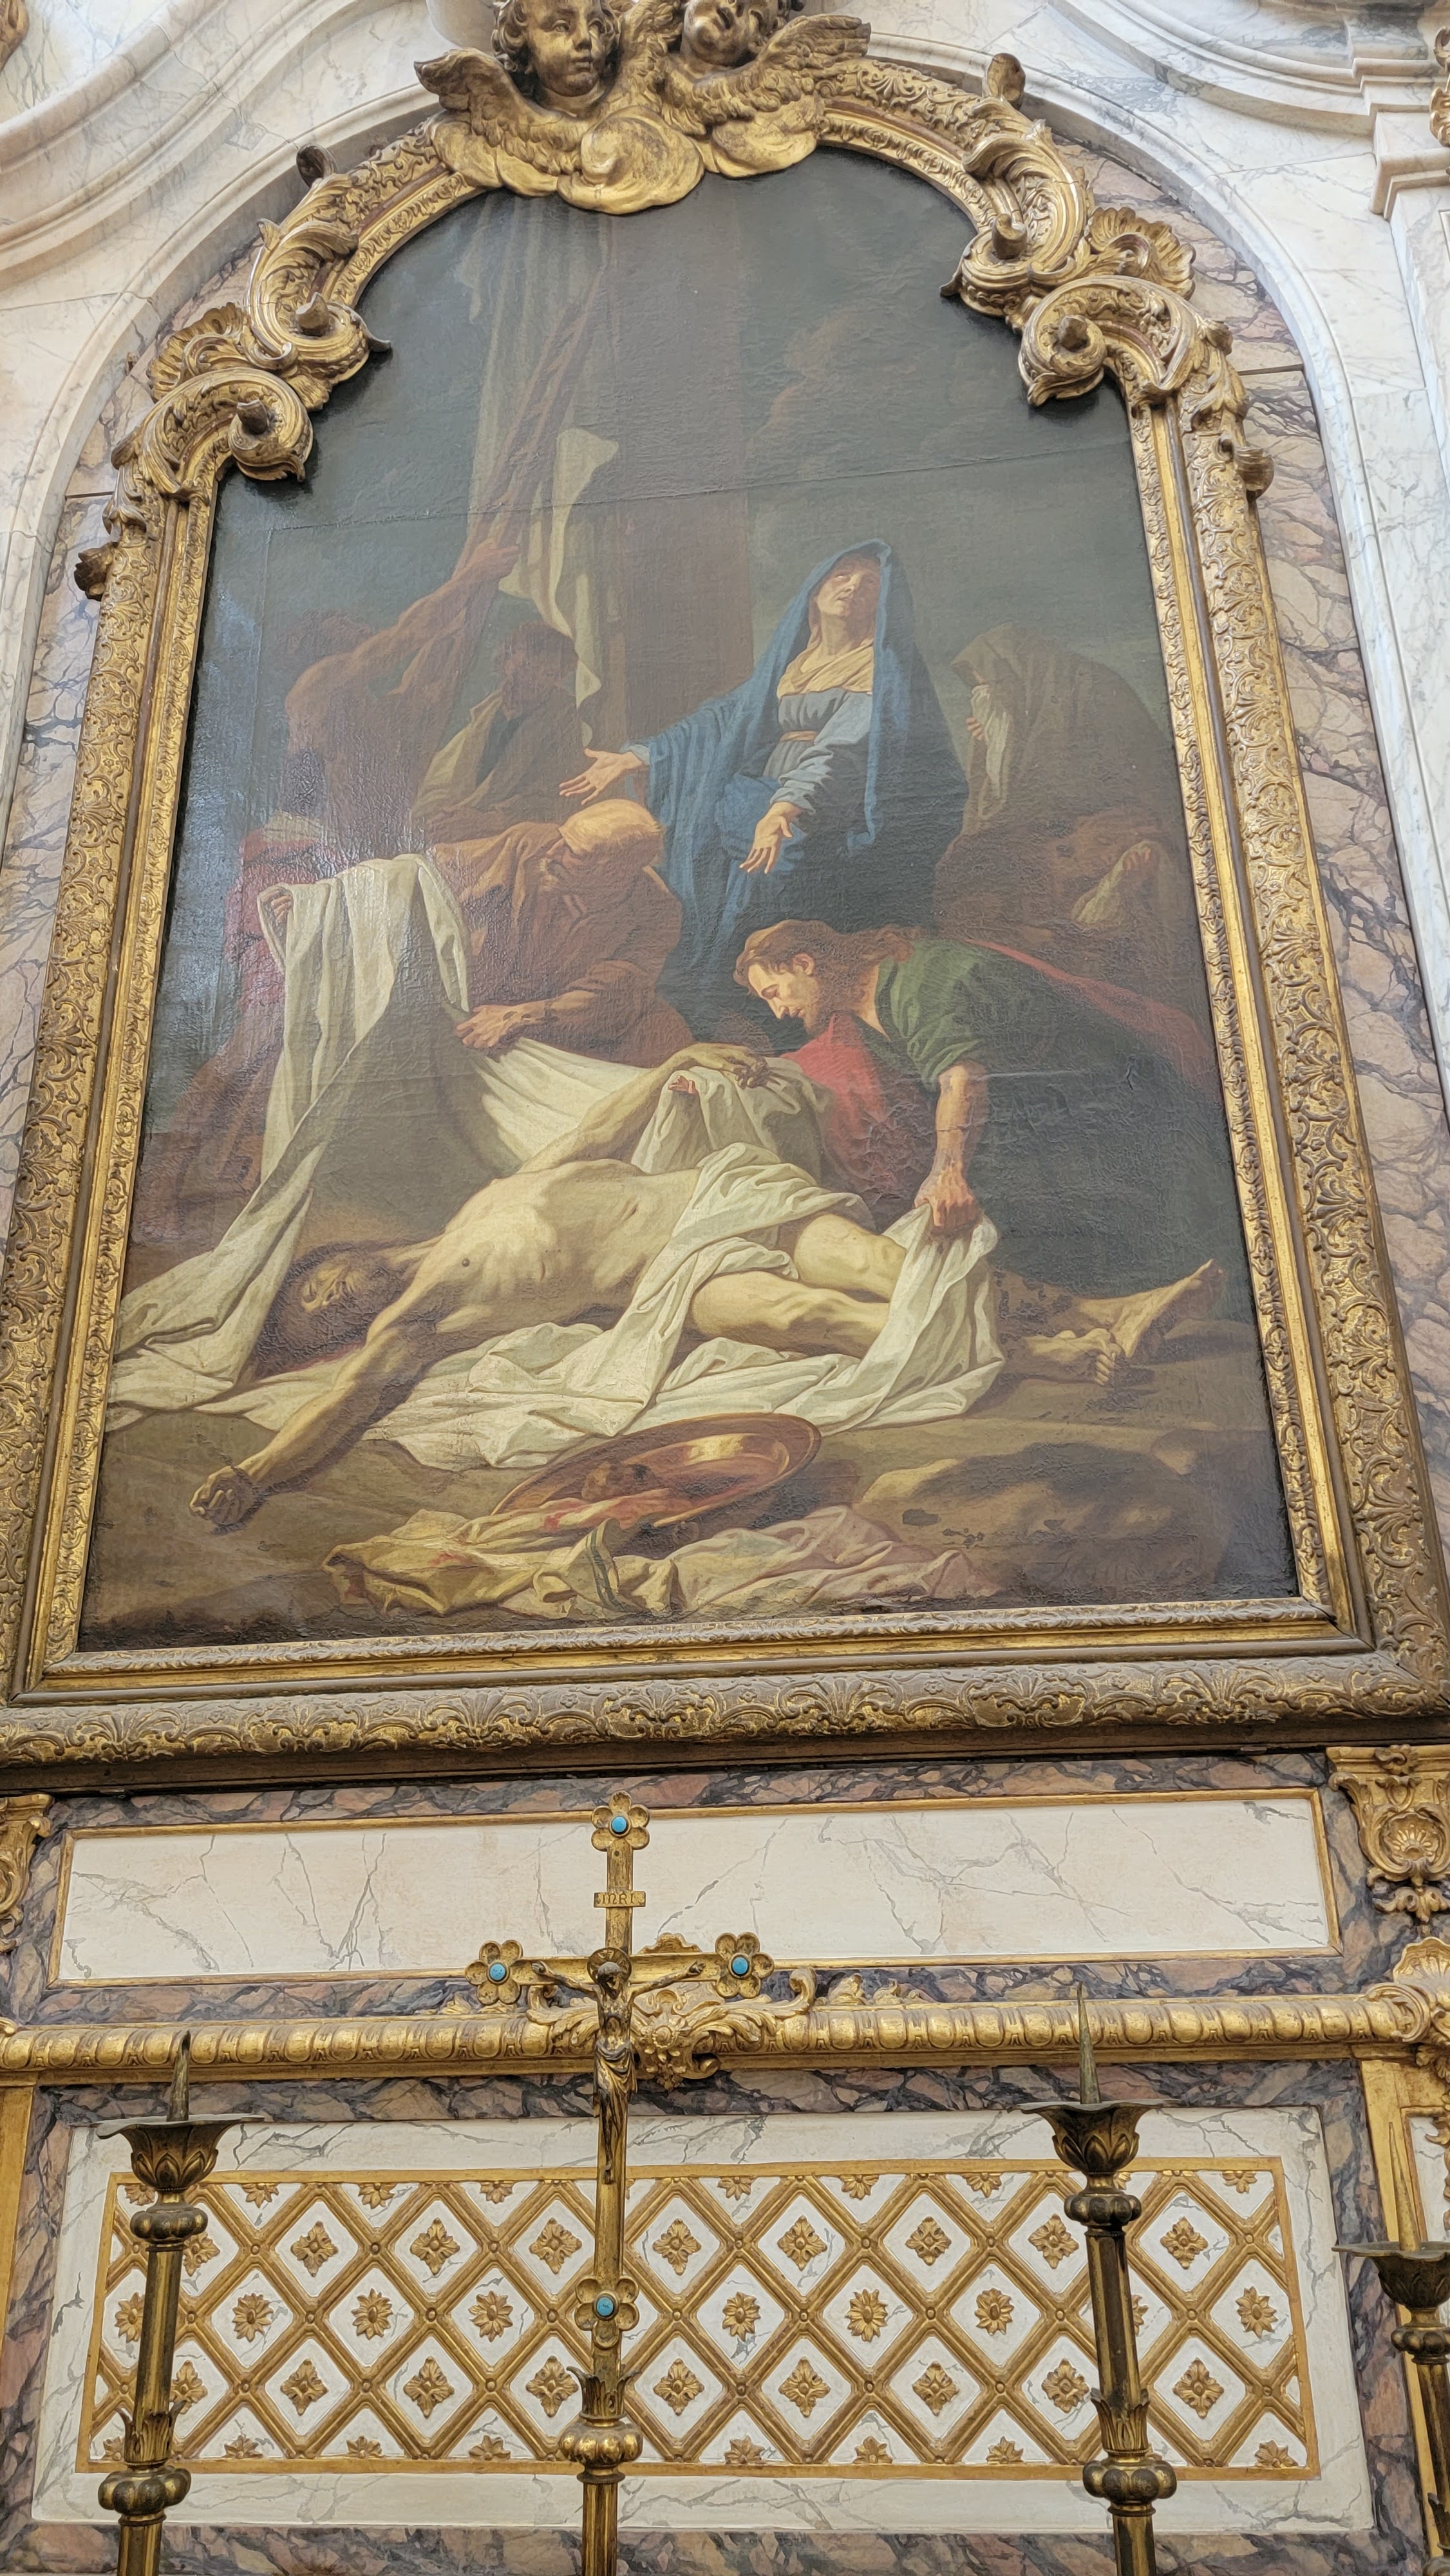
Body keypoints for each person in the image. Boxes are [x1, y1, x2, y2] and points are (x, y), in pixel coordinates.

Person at [189, 1042, 910, 1530]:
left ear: (336, 1256)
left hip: (715, 1198)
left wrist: (676, 1061)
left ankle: (971, 1319)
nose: (331, 1300)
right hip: (674, 1281)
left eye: (315, 1288)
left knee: (882, 1268)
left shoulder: (487, 1201)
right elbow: (347, 1399)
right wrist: (254, 1474)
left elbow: (597, 1132)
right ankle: (982, 1345)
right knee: (813, 1318)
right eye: (323, 1319)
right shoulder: (415, 1318)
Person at [561, 542, 965, 1034]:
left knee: (776, 879)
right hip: (759, 798)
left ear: (885, 602)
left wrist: (785, 809)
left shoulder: (881, 669)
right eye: (842, 575)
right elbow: (722, 719)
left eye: (870, 583)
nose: (853, 587)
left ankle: (777, 1019)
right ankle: (718, 1005)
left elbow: (839, 753)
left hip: (827, 808)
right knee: (720, 869)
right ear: (816, 590)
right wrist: (640, 755)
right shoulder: (795, 663)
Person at [735, 918, 1247, 1305]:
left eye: (774, 992)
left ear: (805, 964)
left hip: (1107, 1106)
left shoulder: (918, 981)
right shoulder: (866, 1004)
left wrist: (948, 1172)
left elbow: (962, 1078)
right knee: (986, 1236)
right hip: (1038, 1117)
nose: (778, 1010)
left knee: (1164, 1236)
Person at [934, 626, 1203, 1017]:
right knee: (966, 879)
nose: (983, 699)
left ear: (1018, 674)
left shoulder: (1087, 693)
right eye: (977, 690)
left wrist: (1007, 738)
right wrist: (994, 744)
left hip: (1113, 830)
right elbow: (995, 807)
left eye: (990, 686)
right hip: (1057, 840)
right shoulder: (1028, 705)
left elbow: (1071, 788)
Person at [428, 799, 693, 1064]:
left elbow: (609, 996)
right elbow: (434, 871)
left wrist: (522, 1015)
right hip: (476, 999)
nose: (552, 853)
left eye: (573, 852)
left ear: (617, 870)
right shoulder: (528, 844)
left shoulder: (657, 911)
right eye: (561, 837)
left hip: (557, 1026)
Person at [412, 623, 587, 843]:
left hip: (514, 836)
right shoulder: (488, 711)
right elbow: (446, 779)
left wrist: (488, 820)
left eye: (549, 674)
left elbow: (559, 799)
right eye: (528, 667)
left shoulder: (564, 718)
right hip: (461, 827)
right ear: (506, 662)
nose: (536, 681)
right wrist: (441, 815)